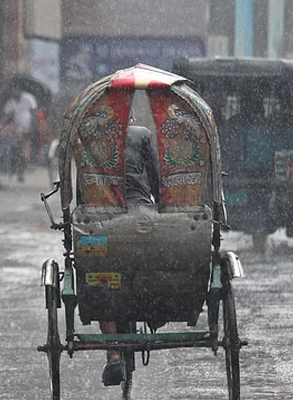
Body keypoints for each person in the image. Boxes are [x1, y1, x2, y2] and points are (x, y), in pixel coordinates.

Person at [100, 111, 160, 386]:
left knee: (99, 275)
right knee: (152, 258)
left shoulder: (95, 136)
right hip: (140, 215)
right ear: (131, 119)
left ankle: (113, 355)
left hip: (102, 217)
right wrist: (162, 204)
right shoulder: (141, 134)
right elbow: (157, 179)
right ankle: (154, 309)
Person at [2, 88, 38, 182]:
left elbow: (33, 113)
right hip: (16, 128)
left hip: (27, 127)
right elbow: (7, 115)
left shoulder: (29, 99)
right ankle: (12, 163)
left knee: (24, 151)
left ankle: (22, 168)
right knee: (14, 147)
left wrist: (32, 127)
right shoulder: (11, 102)